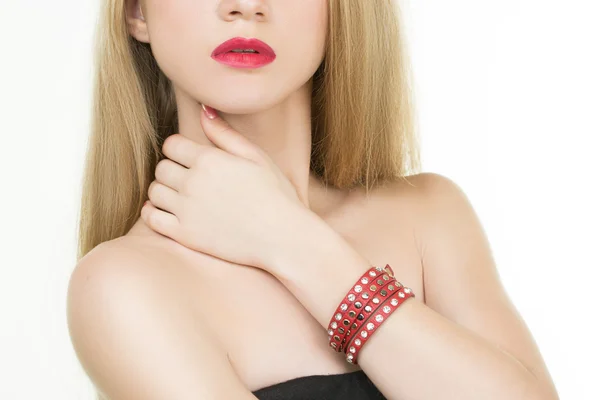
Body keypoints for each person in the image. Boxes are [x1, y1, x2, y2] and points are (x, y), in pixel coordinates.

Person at [66, 1, 559, 399]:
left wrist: (291, 240)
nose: (246, 7)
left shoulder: (429, 217)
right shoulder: (123, 286)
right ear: (136, 13)